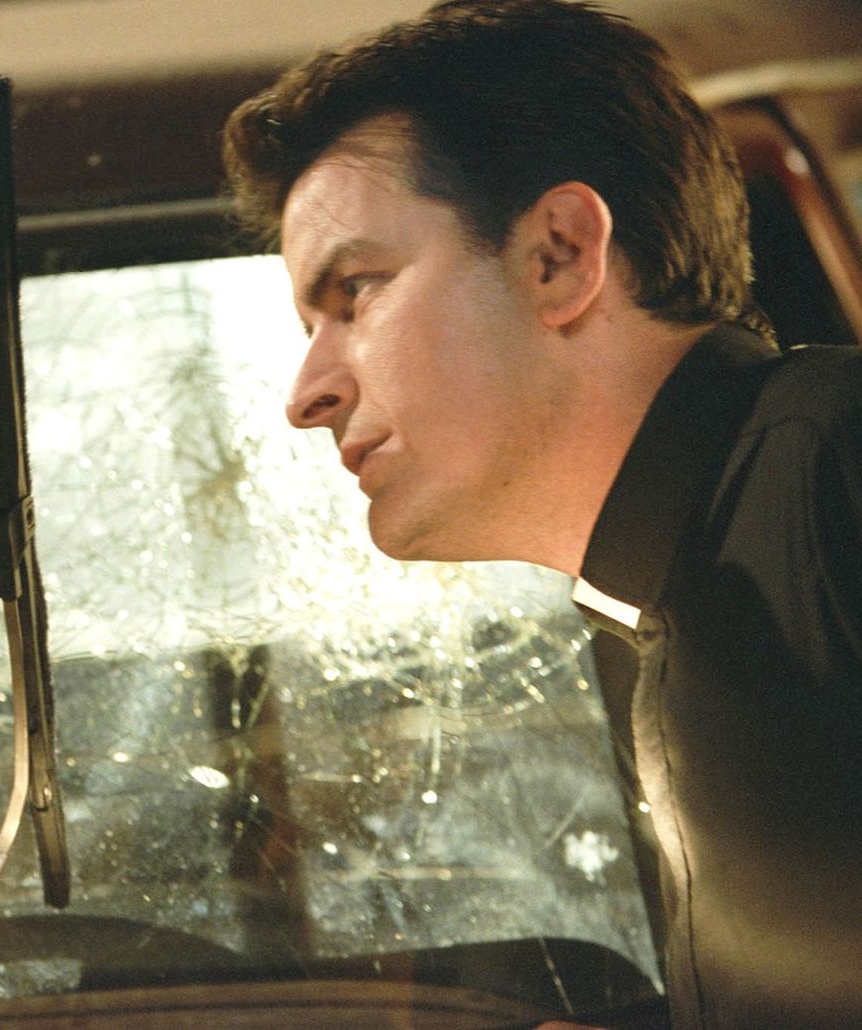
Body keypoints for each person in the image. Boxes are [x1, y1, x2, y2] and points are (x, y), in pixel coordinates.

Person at [223, 0, 862, 1026]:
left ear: (559, 255)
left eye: (357, 293)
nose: (306, 394)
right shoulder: (673, 589)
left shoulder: (837, 465)